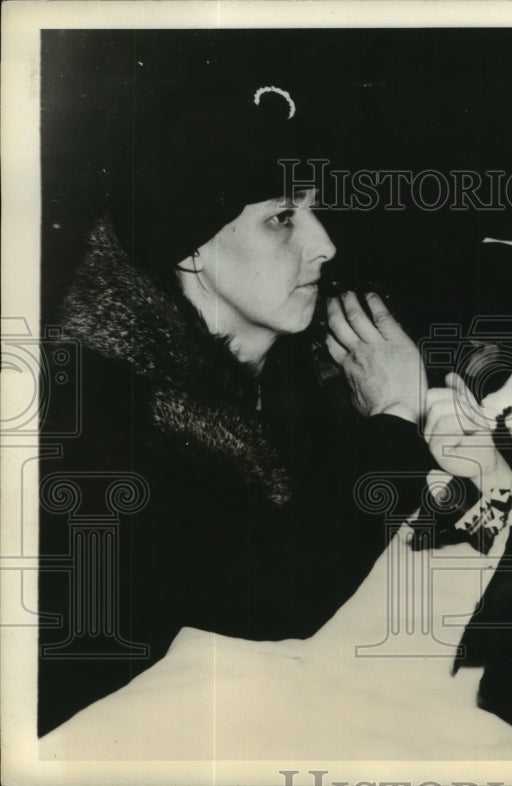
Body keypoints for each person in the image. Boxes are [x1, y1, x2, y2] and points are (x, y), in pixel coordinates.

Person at [37, 78, 436, 735]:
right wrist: (393, 418)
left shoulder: (276, 375)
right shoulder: (100, 412)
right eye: (283, 218)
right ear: (191, 247)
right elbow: (282, 593)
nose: (325, 244)